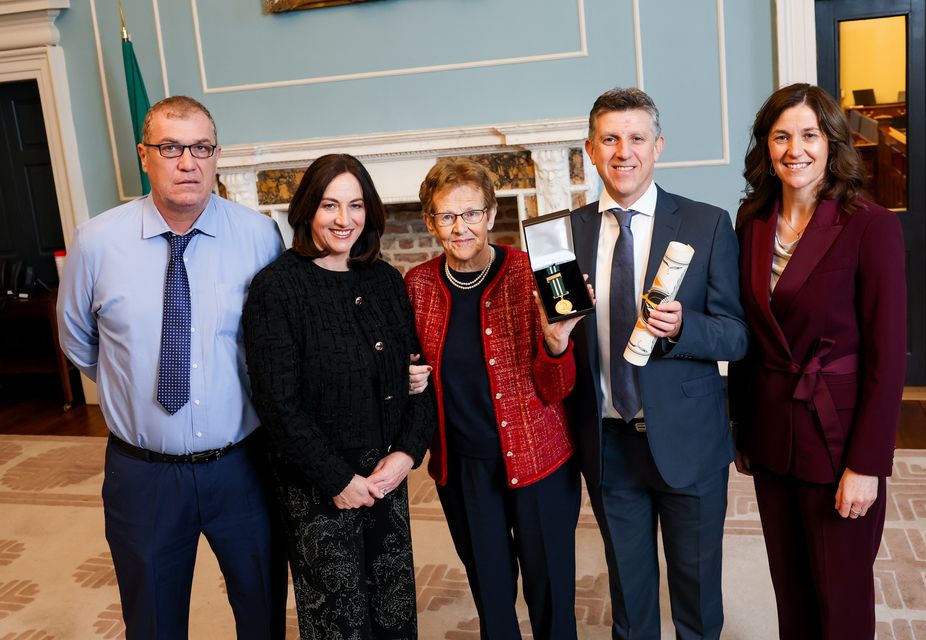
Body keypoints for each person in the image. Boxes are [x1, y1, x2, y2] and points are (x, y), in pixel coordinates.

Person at [56, 96, 287, 639]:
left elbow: (280, 343)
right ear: (144, 155)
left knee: (263, 612)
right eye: (170, 148)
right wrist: (131, 385)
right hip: (143, 475)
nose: (188, 163)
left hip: (243, 468)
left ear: (216, 155)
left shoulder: (260, 236)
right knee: (153, 622)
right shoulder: (96, 242)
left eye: (201, 148)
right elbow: (77, 339)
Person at [568, 87, 748, 640]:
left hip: (689, 441)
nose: (623, 152)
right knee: (630, 598)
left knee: (697, 596)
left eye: (637, 138)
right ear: (590, 150)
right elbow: (557, 341)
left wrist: (684, 327)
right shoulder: (566, 233)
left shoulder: (706, 223)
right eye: (609, 139)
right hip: (609, 443)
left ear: (658, 146)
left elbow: (736, 336)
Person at [729, 83, 906, 639]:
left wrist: (867, 465)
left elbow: (886, 359)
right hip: (771, 437)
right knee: (792, 595)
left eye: (809, 134)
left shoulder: (871, 225)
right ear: (766, 146)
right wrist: (742, 430)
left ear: (832, 142)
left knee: (841, 602)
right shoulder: (751, 222)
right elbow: (749, 336)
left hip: (837, 441)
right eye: (781, 136)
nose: (795, 149)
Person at [241, 153, 436, 640]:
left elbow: (419, 377)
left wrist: (407, 454)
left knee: (393, 613)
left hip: (385, 478)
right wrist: (337, 479)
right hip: (317, 485)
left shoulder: (385, 281)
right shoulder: (276, 288)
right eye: (330, 205)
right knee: (339, 622)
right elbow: (277, 404)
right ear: (307, 209)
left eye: (356, 205)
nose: (343, 219)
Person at [404, 158, 588, 640]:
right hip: (464, 469)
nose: (460, 227)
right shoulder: (417, 286)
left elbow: (558, 390)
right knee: (492, 601)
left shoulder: (532, 274)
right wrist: (407, 378)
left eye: (471, 213)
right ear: (430, 223)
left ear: (490, 215)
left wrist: (556, 344)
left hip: (540, 463)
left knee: (552, 600)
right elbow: (409, 368)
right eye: (447, 216)